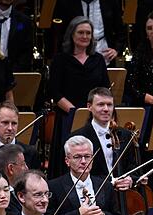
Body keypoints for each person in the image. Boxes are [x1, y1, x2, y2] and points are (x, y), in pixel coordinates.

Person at [47, 16, 111, 178]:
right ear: (72, 35)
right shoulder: (60, 59)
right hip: (68, 116)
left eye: (88, 33)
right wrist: (75, 111)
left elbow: (104, 89)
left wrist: (93, 110)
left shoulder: (98, 60)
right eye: (80, 32)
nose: (85, 36)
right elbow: (54, 91)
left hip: (94, 117)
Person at [68, 88, 139, 191]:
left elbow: (134, 167)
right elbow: (74, 174)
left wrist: (130, 179)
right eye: (101, 104)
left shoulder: (125, 135)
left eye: (109, 105)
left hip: (124, 194)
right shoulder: (77, 138)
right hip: (93, 194)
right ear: (89, 107)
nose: (106, 109)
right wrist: (109, 183)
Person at [56, 0, 125, 64]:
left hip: (105, 53)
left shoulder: (110, 1)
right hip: (74, 54)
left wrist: (116, 49)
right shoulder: (66, 2)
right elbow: (60, 31)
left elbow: (120, 29)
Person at [0, 144, 31, 215]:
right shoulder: (1, 200)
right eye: (23, 164)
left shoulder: (22, 189)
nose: (27, 168)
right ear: (11, 168)